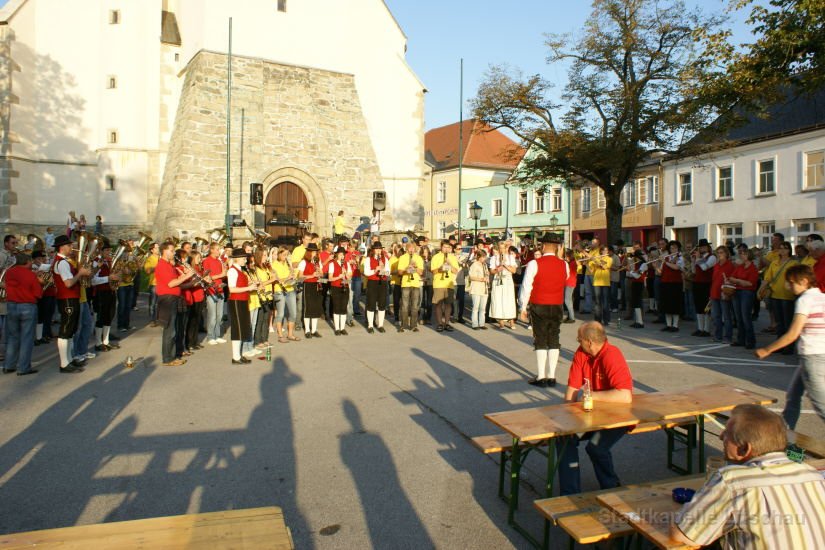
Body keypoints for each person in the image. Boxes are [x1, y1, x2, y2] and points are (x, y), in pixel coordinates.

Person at [672, 405, 825, 548]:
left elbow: (683, 535)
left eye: (727, 434)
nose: (720, 436)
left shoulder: (732, 480)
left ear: (745, 449)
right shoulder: (813, 475)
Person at [556, 322, 633, 495]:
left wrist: (592, 396)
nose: (578, 342)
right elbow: (573, 389)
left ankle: (611, 487)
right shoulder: (581, 353)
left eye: (579, 339)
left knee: (595, 447)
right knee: (564, 438)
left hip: (617, 417)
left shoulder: (612, 355)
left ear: (589, 341)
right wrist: (566, 418)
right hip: (591, 417)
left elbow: (625, 396)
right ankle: (570, 494)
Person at [755, 265, 825, 428]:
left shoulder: (805, 300)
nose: (789, 286)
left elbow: (793, 333)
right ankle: (786, 433)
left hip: (812, 356)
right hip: (816, 355)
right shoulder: (822, 297)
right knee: (793, 396)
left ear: (804, 281)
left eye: (792, 283)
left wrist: (767, 350)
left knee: (820, 404)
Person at [518, 233, 569, 387]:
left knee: (540, 339)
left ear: (544, 246)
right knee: (554, 339)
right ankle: (552, 376)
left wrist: (522, 307)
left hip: (539, 304)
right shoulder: (564, 264)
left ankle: (541, 376)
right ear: (556, 247)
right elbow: (564, 280)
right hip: (557, 305)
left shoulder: (534, 263)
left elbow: (526, 287)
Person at [51, 235, 91, 373]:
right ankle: (64, 363)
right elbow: (68, 283)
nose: (71, 247)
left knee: (70, 330)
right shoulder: (61, 262)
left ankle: (68, 359)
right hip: (67, 298)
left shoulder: (65, 261)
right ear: (62, 247)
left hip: (71, 298)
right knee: (66, 330)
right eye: (69, 245)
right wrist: (80, 273)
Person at [155, 242, 194, 366]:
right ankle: (168, 358)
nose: (173, 253)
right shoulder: (162, 265)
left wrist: (184, 276)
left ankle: (173, 356)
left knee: (174, 329)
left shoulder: (168, 265)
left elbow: (177, 282)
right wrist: (186, 275)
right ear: (164, 251)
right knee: (169, 330)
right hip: (167, 299)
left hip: (173, 298)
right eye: (171, 251)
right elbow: (171, 284)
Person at [2, 253, 42, 375]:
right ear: (28, 262)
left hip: (12, 305)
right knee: (27, 338)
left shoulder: (9, 272)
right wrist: (40, 282)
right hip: (27, 306)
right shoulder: (31, 275)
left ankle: (9, 365)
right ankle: (23, 367)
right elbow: (38, 294)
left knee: (13, 336)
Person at [758, 241, 798, 354]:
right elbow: (767, 278)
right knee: (779, 322)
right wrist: (760, 289)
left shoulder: (793, 263)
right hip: (775, 295)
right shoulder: (775, 262)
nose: (783, 250)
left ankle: (789, 346)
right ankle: (779, 345)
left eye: (785, 248)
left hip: (788, 296)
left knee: (787, 322)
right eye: (781, 248)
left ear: (789, 250)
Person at [225, 248, 258, 362]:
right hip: (236, 301)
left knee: (242, 328)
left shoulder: (240, 270)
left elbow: (240, 284)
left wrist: (252, 284)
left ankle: (238, 355)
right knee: (237, 328)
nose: (245, 260)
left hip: (242, 300)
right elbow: (232, 289)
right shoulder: (232, 271)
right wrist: (249, 288)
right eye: (244, 258)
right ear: (237, 259)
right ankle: (235, 356)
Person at [91, 243, 120, 352]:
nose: (109, 253)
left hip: (110, 292)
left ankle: (106, 341)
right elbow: (93, 280)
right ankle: (98, 343)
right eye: (106, 250)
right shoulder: (96, 261)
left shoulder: (110, 261)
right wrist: (108, 278)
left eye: (110, 250)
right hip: (100, 293)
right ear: (101, 251)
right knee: (100, 318)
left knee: (109, 316)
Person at [728, 248, 759, 349]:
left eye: (744, 254)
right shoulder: (740, 267)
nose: (741, 256)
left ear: (749, 255)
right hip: (737, 292)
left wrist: (737, 280)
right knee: (739, 317)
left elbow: (750, 283)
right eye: (740, 254)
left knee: (746, 317)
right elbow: (731, 278)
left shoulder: (753, 268)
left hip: (747, 293)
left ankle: (751, 341)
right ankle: (741, 339)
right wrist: (740, 281)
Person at [431, 240, 459, 332]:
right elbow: (433, 271)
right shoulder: (436, 257)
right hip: (438, 283)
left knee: (448, 304)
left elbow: (455, 271)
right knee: (438, 304)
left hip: (449, 284)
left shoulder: (452, 257)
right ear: (441, 247)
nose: (446, 249)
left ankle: (447, 323)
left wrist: (449, 264)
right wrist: (440, 268)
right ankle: (440, 323)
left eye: (448, 247)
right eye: (444, 247)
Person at [709, 245, 735, 344]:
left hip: (724, 293)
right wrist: (711, 294)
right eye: (718, 253)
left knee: (727, 316)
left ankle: (728, 337)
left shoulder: (730, 265)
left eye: (721, 252)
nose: (719, 255)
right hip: (715, 293)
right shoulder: (716, 265)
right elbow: (714, 280)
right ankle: (717, 336)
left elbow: (731, 280)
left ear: (726, 254)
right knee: (716, 316)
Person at [272, 247, 299, 343]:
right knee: (280, 314)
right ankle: (280, 335)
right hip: (280, 290)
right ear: (279, 254)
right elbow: (277, 280)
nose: (285, 257)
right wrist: (287, 277)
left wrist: (293, 276)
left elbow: (290, 276)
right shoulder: (274, 265)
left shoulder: (287, 264)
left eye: (287, 255)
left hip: (290, 289)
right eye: (284, 255)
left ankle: (290, 334)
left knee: (293, 313)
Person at [297, 243, 324, 338]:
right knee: (308, 307)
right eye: (313, 251)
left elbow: (322, 273)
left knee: (316, 308)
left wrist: (319, 272)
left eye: (315, 251)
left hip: (317, 285)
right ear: (308, 252)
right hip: (308, 285)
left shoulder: (317, 261)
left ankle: (314, 330)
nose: (314, 253)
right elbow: (300, 276)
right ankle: (307, 330)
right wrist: (312, 275)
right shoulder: (304, 262)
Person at [657, 240, 685, 332]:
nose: (673, 249)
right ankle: (668, 325)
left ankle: (675, 325)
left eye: (675, 248)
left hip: (675, 284)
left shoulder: (680, 258)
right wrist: (655, 267)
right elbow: (661, 272)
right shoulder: (666, 258)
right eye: (671, 248)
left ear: (678, 249)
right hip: (665, 283)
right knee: (666, 305)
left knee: (675, 305)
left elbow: (677, 267)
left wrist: (665, 262)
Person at [202, 243, 227, 345]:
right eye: (217, 249)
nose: (218, 251)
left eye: (219, 249)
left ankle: (217, 335)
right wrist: (221, 274)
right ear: (211, 250)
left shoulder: (219, 261)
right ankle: (210, 336)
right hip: (211, 290)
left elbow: (222, 276)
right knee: (212, 315)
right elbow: (206, 277)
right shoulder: (207, 261)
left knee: (219, 315)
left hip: (220, 290)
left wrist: (225, 272)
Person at [396, 241, 424, 332]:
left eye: (413, 248)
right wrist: (406, 269)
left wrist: (415, 267)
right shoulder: (402, 257)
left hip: (415, 283)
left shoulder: (419, 258)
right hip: (406, 283)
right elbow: (399, 272)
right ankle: (403, 325)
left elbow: (421, 273)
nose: (411, 249)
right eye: (410, 248)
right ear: (407, 249)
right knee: (404, 305)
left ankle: (413, 325)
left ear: (415, 249)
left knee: (415, 306)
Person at [690, 239, 716, 337]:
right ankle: (700, 328)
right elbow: (694, 271)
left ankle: (707, 330)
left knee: (706, 307)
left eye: (704, 247)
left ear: (708, 248)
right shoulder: (699, 258)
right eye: (700, 247)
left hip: (707, 284)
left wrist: (697, 259)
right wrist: (693, 262)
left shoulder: (712, 257)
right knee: (698, 306)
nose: (702, 249)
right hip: (697, 284)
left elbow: (705, 267)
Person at [489, 240, 518, 329]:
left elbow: (514, 270)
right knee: (498, 300)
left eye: (503, 248)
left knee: (509, 300)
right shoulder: (494, 258)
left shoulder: (510, 257)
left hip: (508, 280)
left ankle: (511, 321)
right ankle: (501, 321)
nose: (501, 250)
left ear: (506, 248)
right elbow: (491, 271)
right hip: (498, 279)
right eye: (500, 248)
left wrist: (505, 264)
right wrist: (498, 269)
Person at [363, 241, 390, 333]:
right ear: (373, 250)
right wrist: (375, 270)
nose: (378, 251)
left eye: (379, 249)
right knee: (371, 304)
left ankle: (380, 325)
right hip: (372, 283)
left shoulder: (385, 259)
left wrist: (383, 270)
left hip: (382, 283)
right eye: (376, 249)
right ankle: (370, 325)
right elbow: (366, 272)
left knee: (382, 304)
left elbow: (388, 273)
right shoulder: (368, 259)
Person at [589, 245, 613, 325]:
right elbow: (591, 271)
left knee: (605, 302)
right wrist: (586, 263)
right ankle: (597, 320)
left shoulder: (609, 259)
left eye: (607, 250)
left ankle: (606, 320)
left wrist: (596, 260)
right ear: (601, 251)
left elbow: (604, 267)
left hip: (605, 282)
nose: (605, 252)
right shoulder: (596, 258)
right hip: (596, 282)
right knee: (597, 302)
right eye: (604, 250)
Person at [468, 248, 490, 330]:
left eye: (485, 257)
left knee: (483, 308)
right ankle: (475, 324)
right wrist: (481, 279)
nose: (484, 258)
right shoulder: (474, 264)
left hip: (484, 288)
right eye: (483, 257)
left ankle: (481, 323)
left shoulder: (484, 265)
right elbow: (471, 277)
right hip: (476, 288)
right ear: (478, 256)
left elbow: (486, 275)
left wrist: (487, 277)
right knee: (476, 307)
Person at [626, 249, 648, 328]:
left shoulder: (643, 264)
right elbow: (632, 274)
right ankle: (637, 321)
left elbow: (637, 275)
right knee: (635, 303)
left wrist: (631, 271)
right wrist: (630, 270)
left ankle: (640, 322)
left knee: (638, 302)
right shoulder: (638, 264)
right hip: (635, 283)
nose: (635, 259)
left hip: (639, 284)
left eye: (636, 257)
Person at [143, 243, 160, 325]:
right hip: (154, 283)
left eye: (158, 247)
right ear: (152, 250)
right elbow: (147, 271)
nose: (158, 249)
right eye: (156, 248)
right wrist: (158, 266)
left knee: (161, 303)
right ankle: (152, 320)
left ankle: (160, 319)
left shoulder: (162, 258)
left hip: (162, 283)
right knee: (153, 303)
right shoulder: (150, 259)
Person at [563, 249, 578, 323]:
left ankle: (572, 317)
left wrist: (565, 263)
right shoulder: (570, 263)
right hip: (568, 282)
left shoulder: (572, 263)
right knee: (568, 300)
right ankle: (569, 316)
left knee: (567, 300)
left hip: (570, 283)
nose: (565, 258)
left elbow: (567, 272)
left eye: (566, 256)